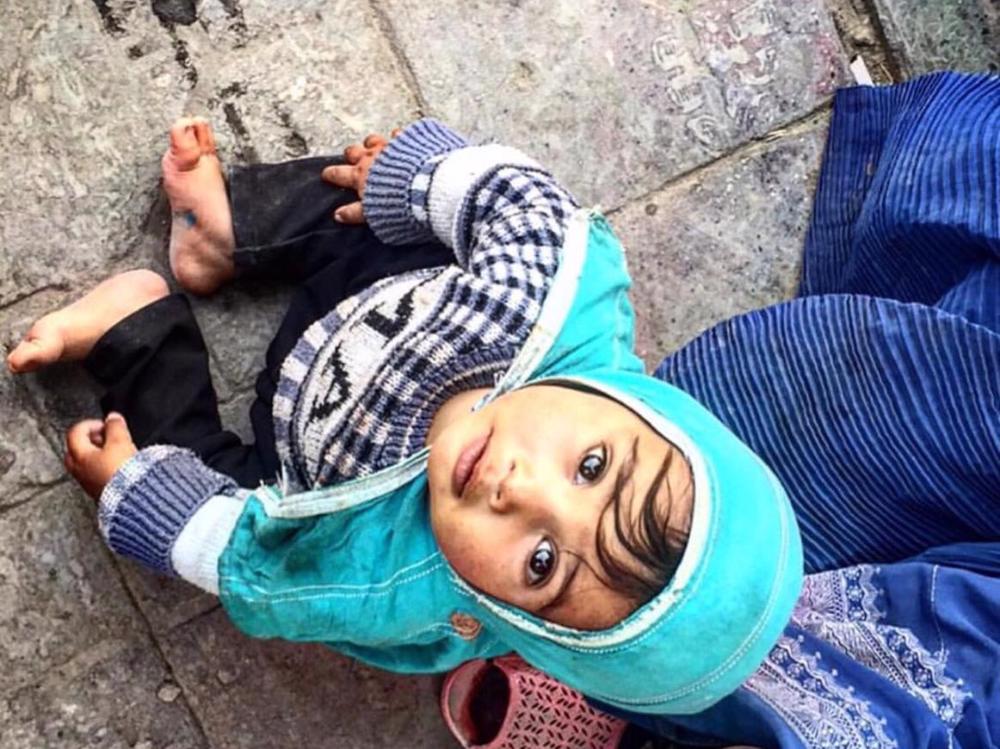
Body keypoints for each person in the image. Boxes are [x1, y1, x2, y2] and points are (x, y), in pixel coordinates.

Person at [6, 115, 801, 714]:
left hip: (310, 455)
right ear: (640, 409)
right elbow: (522, 202)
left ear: (512, 616)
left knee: (216, 495)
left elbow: (259, 571)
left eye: (540, 563)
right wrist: (420, 176)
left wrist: (145, 499)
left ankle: (139, 334)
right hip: (386, 293)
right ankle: (227, 228)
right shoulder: (556, 300)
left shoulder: (396, 580)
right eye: (590, 467)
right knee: (370, 195)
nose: (519, 490)